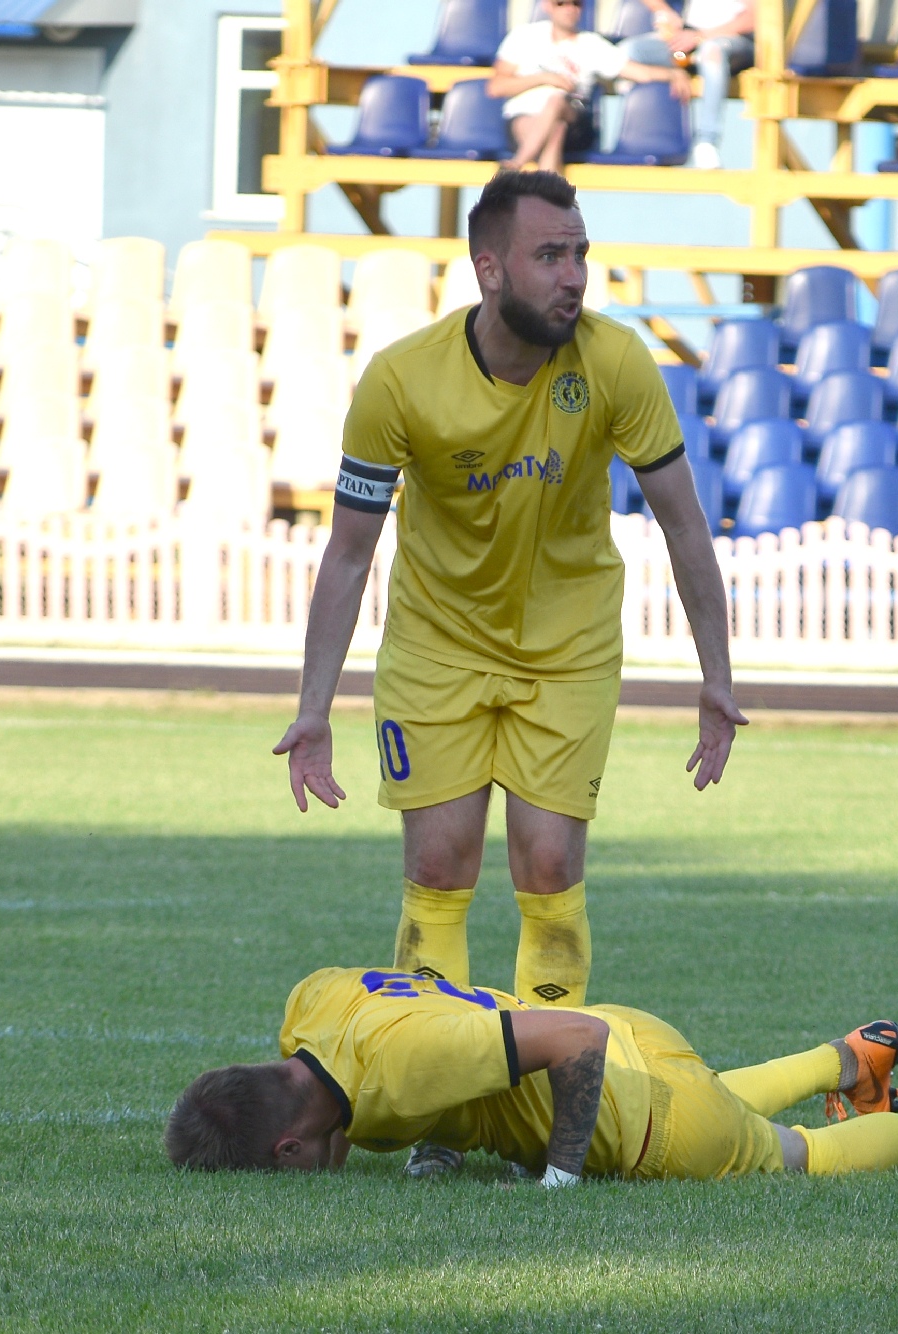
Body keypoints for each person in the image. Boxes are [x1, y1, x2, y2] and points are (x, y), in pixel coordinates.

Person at [272, 170, 746, 1172]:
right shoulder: (400, 380)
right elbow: (348, 552)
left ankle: (547, 1099)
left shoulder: (616, 361)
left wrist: (716, 676)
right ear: (488, 268)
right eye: (549, 255)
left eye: (578, 252)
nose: (573, 274)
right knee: (439, 868)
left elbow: (683, 521)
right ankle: (445, 1111)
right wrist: (312, 707)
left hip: (567, 649)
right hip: (435, 648)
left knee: (547, 868)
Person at [163, 965, 898, 1181]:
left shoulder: (404, 1068)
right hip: (643, 1041)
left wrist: (556, 1176)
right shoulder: (311, 1007)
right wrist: (444, 1139)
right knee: (724, 1096)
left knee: (798, 1158)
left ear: (287, 1148)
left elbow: (574, 1039)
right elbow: (427, 1021)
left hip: (639, 1111)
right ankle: (853, 1056)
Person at [487, 0, 692, 173]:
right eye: (561, 3)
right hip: (524, 120)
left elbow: (638, 72)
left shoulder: (591, 44)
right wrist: (544, 79)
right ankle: (553, 204)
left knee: (556, 102)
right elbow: (497, 86)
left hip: (575, 120)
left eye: (576, 3)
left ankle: (516, 165)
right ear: (547, 5)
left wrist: (673, 73)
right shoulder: (524, 37)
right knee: (555, 129)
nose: (570, 8)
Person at [625, 0, 754, 170]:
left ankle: (707, 142)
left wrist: (700, 36)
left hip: (731, 43)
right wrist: (666, 13)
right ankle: (642, 136)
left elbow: (754, 18)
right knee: (632, 50)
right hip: (684, 47)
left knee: (711, 52)